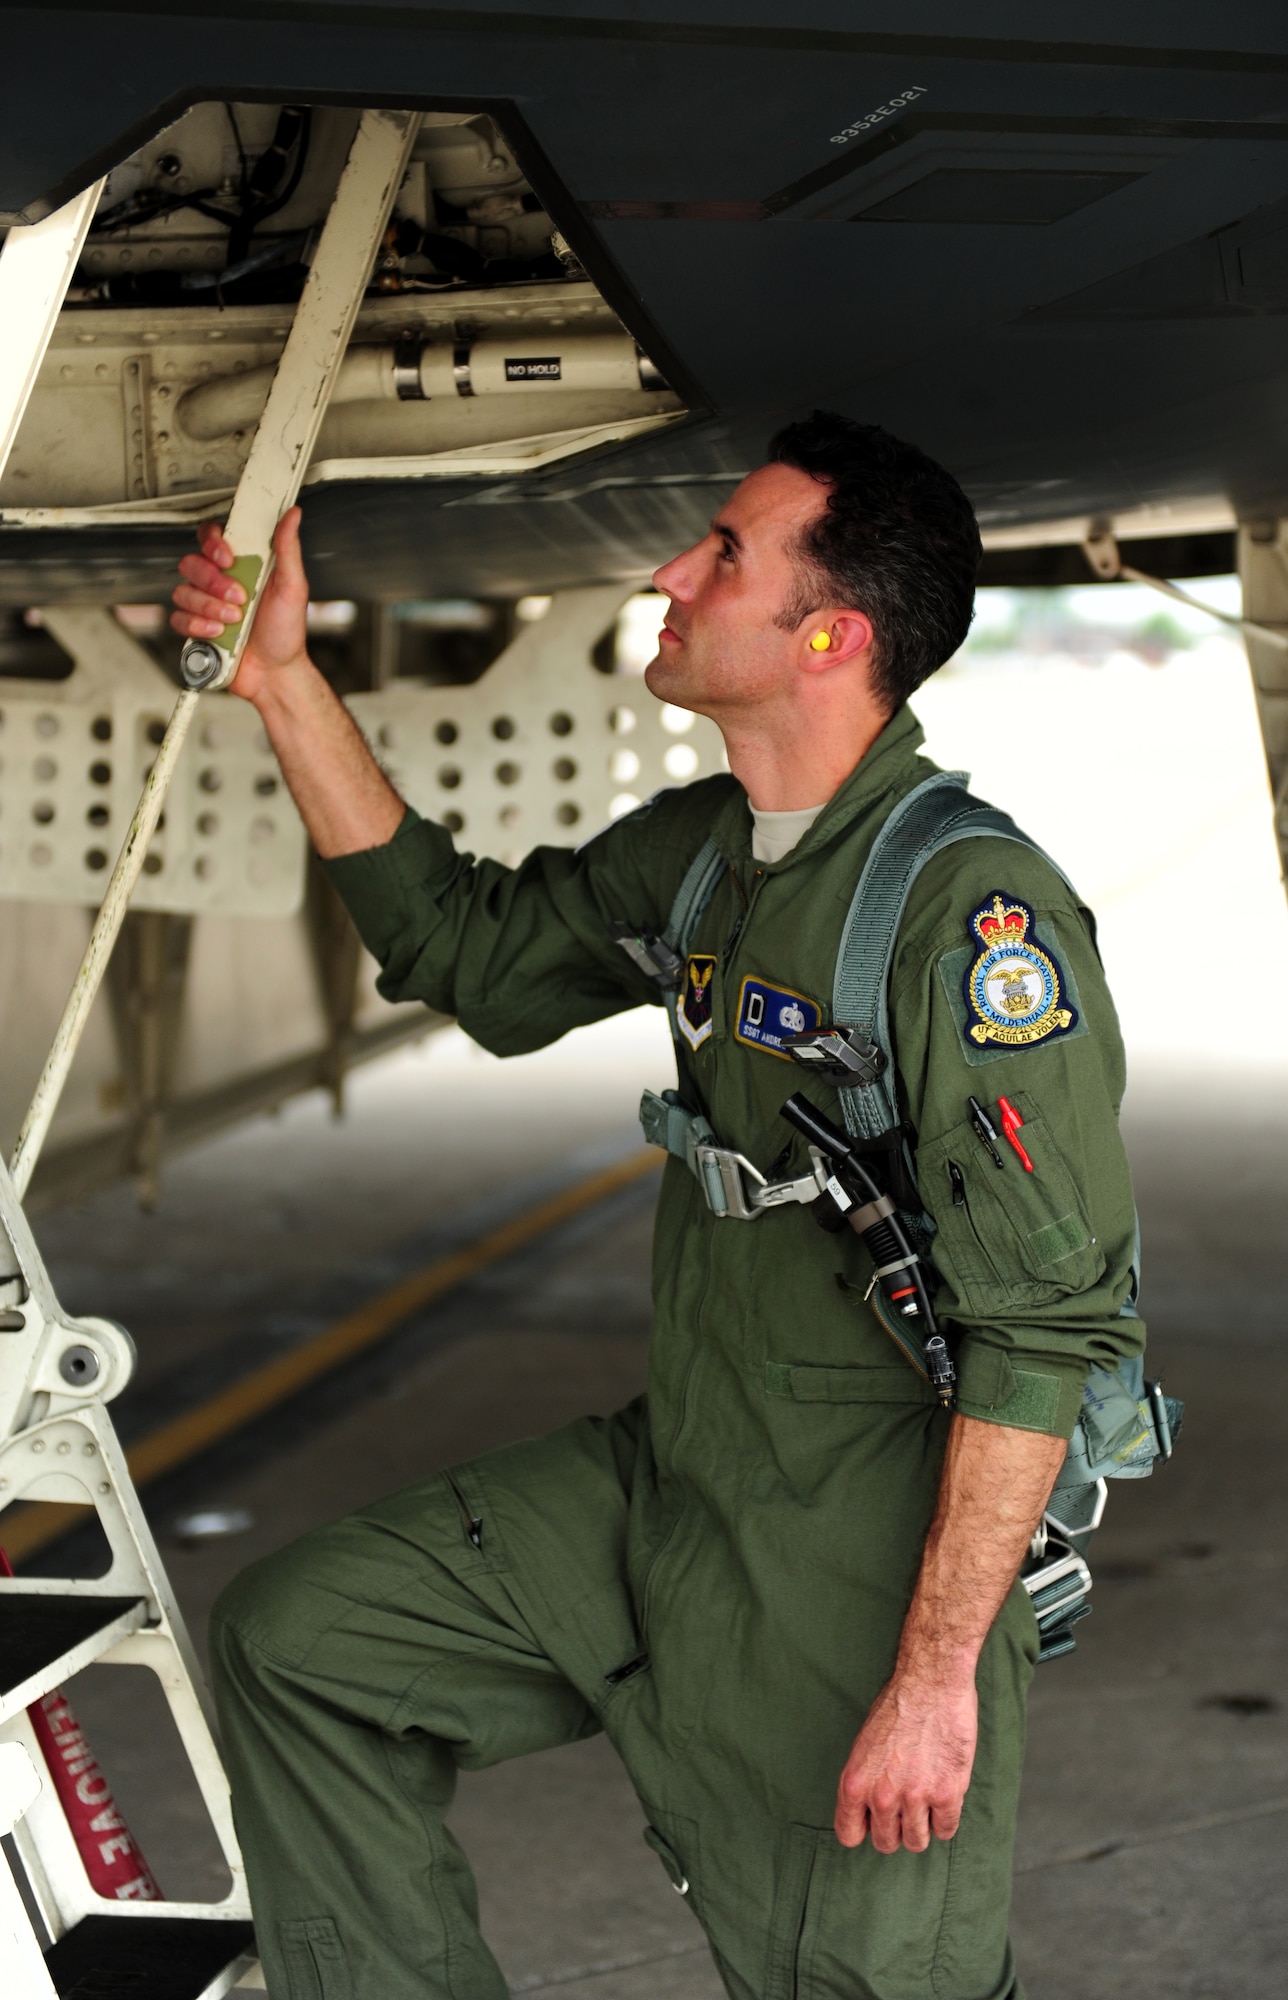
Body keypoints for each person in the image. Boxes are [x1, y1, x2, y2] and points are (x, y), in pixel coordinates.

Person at [171, 411, 1143, 2000]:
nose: (669, 573)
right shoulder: (713, 856)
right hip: (674, 1481)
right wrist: (283, 680)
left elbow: (1044, 1330)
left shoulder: (971, 918)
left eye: (724, 555)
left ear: (827, 636)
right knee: (307, 1643)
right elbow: (474, 959)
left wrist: (933, 1680)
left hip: (845, 1560)